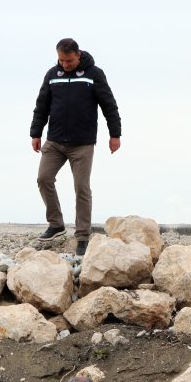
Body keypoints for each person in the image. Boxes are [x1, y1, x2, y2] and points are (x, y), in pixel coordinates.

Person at [30, 38, 122, 256]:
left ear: (77, 55)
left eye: (68, 61)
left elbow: (109, 104)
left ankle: (82, 235)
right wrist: (36, 133)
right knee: (43, 178)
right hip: (54, 141)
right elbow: (41, 105)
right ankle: (56, 225)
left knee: (81, 188)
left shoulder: (94, 74)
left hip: (82, 144)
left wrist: (115, 134)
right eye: (61, 60)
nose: (65, 65)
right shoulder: (53, 74)